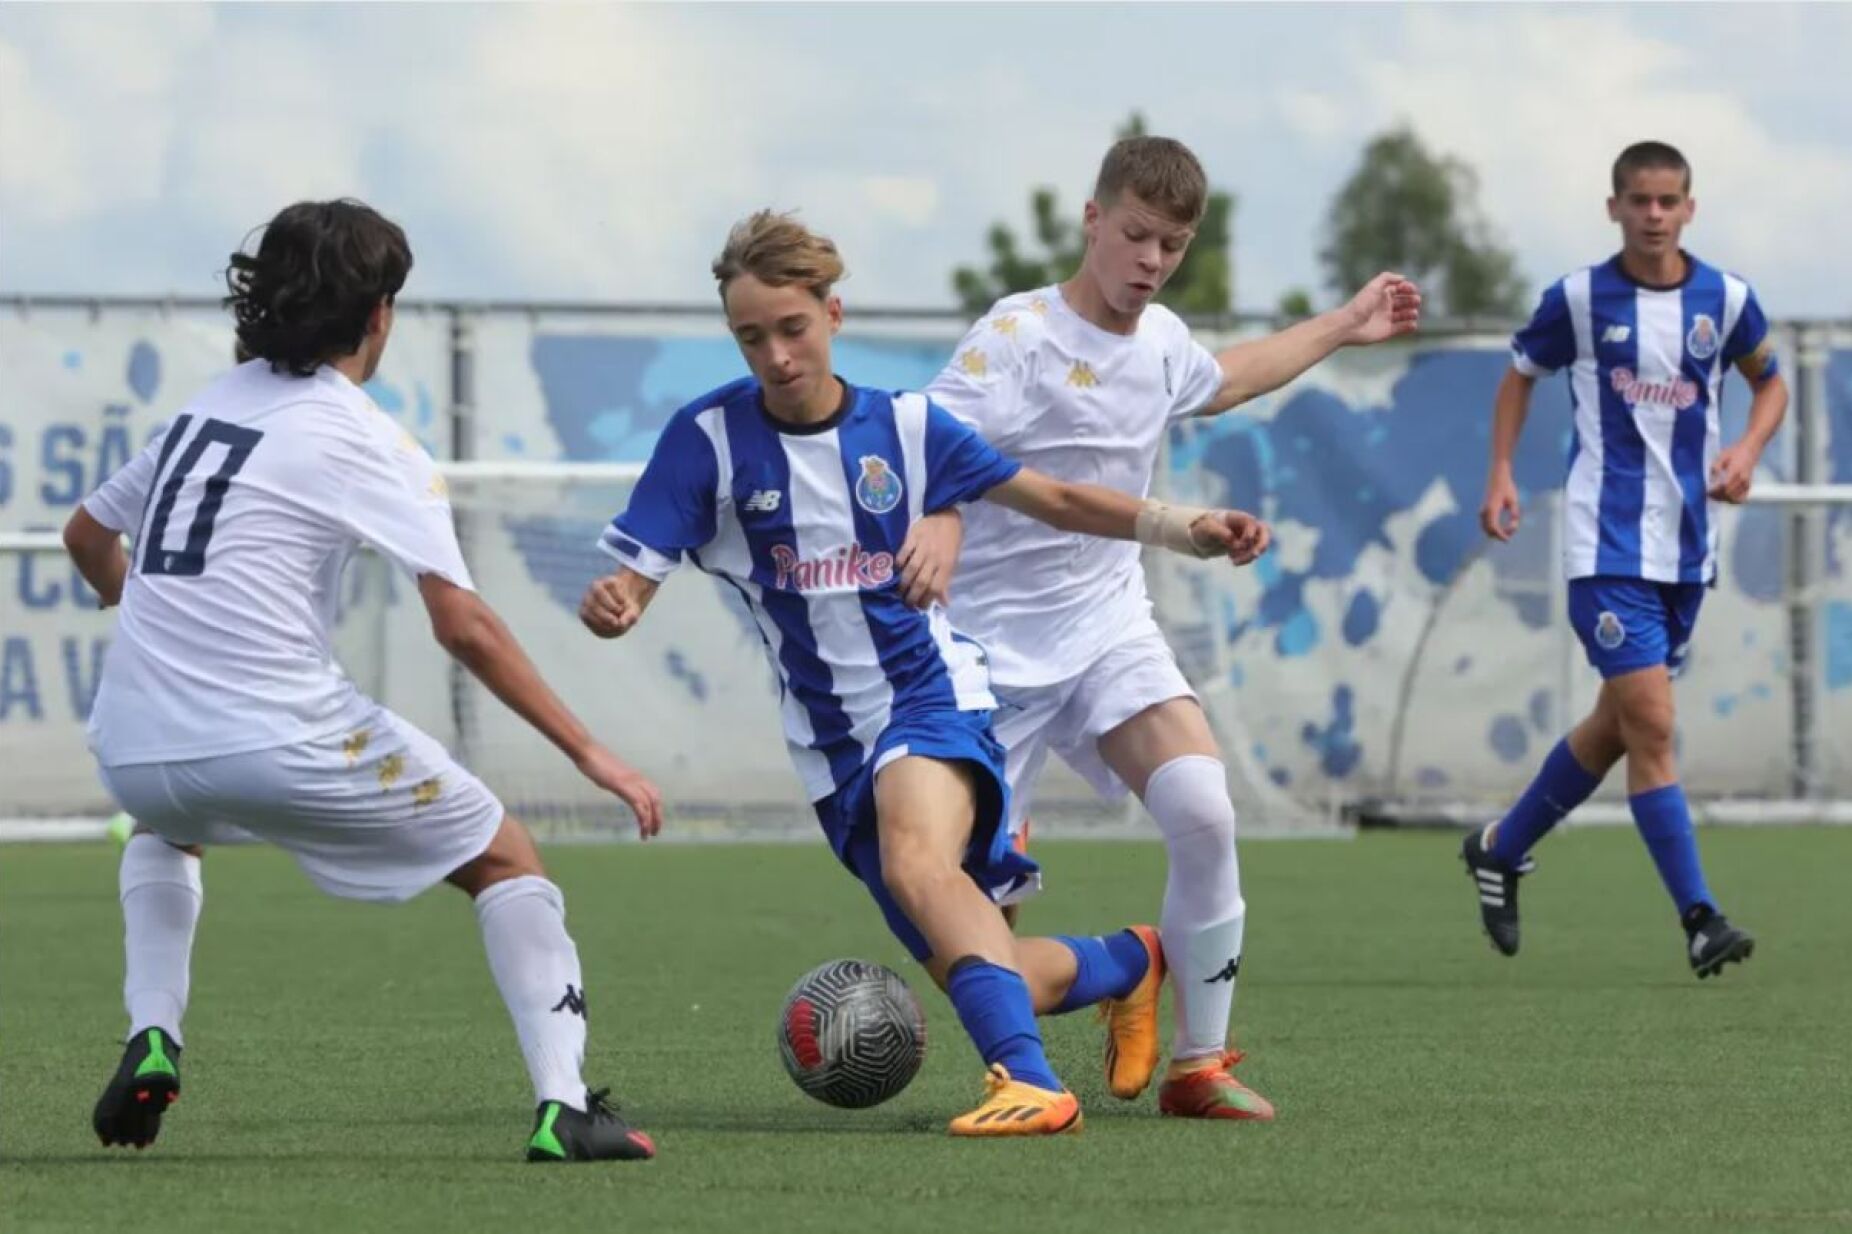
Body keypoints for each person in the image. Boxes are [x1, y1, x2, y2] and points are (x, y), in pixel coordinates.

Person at [580, 210, 1271, 1137]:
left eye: (793, 328)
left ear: (833, 313)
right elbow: (638, 566)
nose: (777, 355)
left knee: (919, 862)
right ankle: (1129, 963)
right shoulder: (706, 440)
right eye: (752, 337)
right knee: (983, 958)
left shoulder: (907, 427)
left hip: (931, 698)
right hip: (835, 752)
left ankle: (1031, 1085)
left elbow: (1058, 497)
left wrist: (1182, 527)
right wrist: (619, 599)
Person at [68, 199, 663, 1163]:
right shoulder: (364, 436)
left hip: (135, 747)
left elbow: (87, 536)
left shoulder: (204, 409)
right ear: (378, 315)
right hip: (279, 737)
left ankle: (154, 1035)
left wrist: (141, 614)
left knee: (165, 827)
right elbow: (462, 624)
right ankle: (566, 1107)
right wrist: (591, 751)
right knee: (507, 860)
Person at [923, 135, 1421, 1120]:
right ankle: (1120, 971)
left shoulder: (1159, 343)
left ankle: (1199, 1065)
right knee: (975, 957)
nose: (1151, 259)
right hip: (987, 657)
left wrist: (1341, 324)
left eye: (1173, 244)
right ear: (1093, 219)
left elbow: (1224, 377)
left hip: (1108, 626)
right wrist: (936, 525)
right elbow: (932, 447)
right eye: (1138, 234)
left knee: (1202, 804)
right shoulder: (1014, 334)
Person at [1465, 141, 1787, 978]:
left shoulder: (1727, 298)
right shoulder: (1577, 299)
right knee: (1652, 722)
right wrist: (1501, 470)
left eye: (1668, 201)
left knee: (1617, 727)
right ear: (1613, 207)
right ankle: (1700, 917)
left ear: (1689, 208)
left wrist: (1749, 448)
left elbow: (1771, 382)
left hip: (1685, 549)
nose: (1653, 215)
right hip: (1602, 545)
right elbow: (1519, 374)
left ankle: (1502, 848)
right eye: (1638, 201)